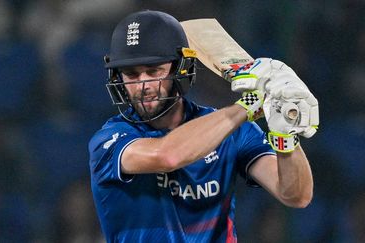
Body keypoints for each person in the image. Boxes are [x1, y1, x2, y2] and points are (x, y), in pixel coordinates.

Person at [89, 10, 318, 242]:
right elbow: (168, 155)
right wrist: (248, 105)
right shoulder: (110, 140)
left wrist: (285, 135)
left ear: (181, 68)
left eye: (154, 71)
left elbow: (296, 195)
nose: (143, 85)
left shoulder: (233, 131)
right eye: (131, 74)